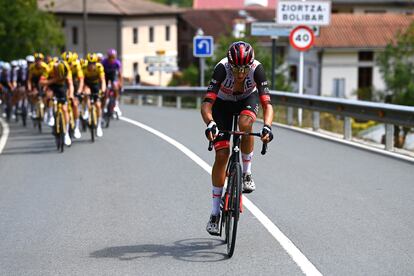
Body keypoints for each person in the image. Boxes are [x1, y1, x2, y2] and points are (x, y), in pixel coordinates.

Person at [200, 41, 274, 235]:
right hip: (222, 106)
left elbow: (268, 105)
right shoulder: (221, 70)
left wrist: (267, 127)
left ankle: (247, 173)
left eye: (244, 69)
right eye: (236, 68)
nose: (240, 73)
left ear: (250, 65)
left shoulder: (257, 69)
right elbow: (207, 105)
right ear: (230, 64)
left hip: (246, 101)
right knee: (222, 155)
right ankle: (215, 213)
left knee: (245, 125)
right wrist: (210, 123)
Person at [82, 53, 106, 137]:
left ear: (96, 63)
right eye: (89, 63)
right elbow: (81, 81)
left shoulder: (99, 67)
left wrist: (103, 90)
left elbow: (103, 80)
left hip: (96, 85)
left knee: (98, 105)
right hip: (87, 84)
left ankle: (99, 126)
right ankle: (87, 110)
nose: (91, 66)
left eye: (93, 64)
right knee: (86, 93)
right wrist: (82, 90)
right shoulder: (83, 68)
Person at [102, 48, 123, 116]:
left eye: (113, 57)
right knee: (105, 90)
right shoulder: (104, 62)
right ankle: (105, 103)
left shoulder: (117, 63)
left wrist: (120, 83)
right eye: (110, 57)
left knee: (115, 87)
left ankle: (116, 104)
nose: (111, 59)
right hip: (106, 76)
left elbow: (120, 75)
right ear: (108, 56)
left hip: (113, 75)